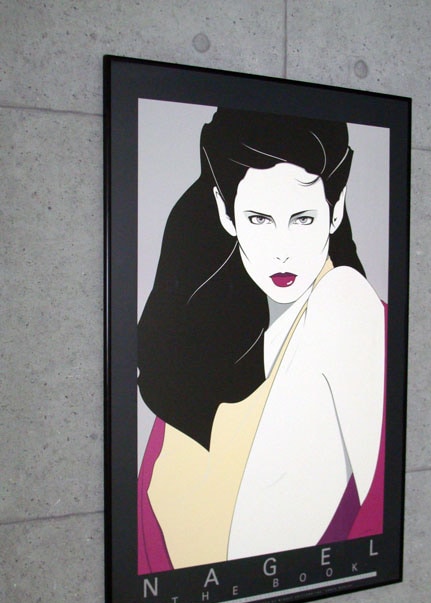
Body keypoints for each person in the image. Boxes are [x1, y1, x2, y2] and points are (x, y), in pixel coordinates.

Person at [137, 109, 385, 574]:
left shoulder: (345, 303)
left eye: (303, 218)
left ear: (336, 209)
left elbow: (379, 525)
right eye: (259, 218)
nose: (282, 250)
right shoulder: (215, 346)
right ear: (225, 212)